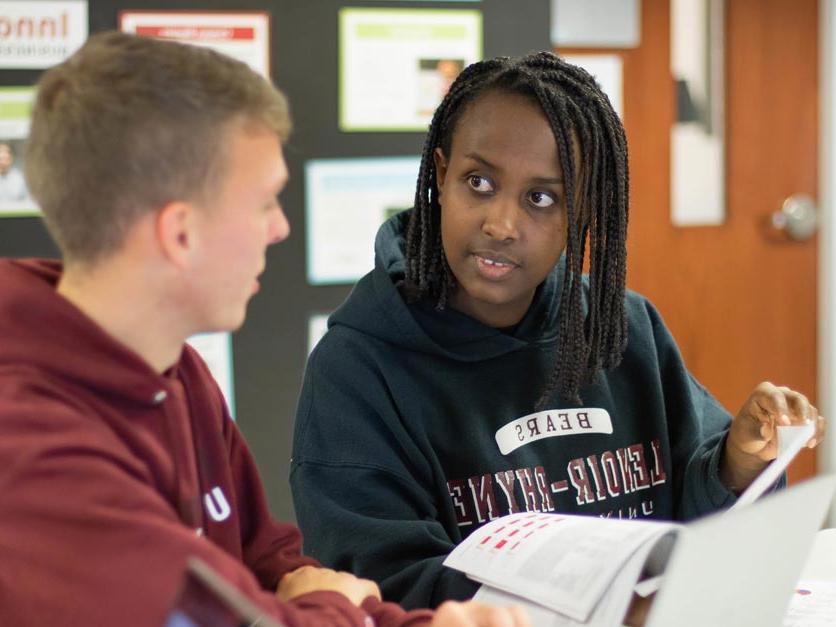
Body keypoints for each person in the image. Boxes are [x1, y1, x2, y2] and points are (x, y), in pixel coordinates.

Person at [0, 32, 530, 627]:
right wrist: (333, 606)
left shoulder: (174, 371)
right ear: (181, 235)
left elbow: (271, 569)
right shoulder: (33, 452)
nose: (278, 228)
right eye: (262, 203)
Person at [290, 51, 826, 612]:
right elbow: (381, 587)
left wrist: (738, 462)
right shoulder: (357, 370)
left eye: (541, 198)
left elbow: (698, 522)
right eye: (478, 182)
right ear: (441, 177)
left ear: (582, 212)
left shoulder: (624, 327)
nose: (502, 224)